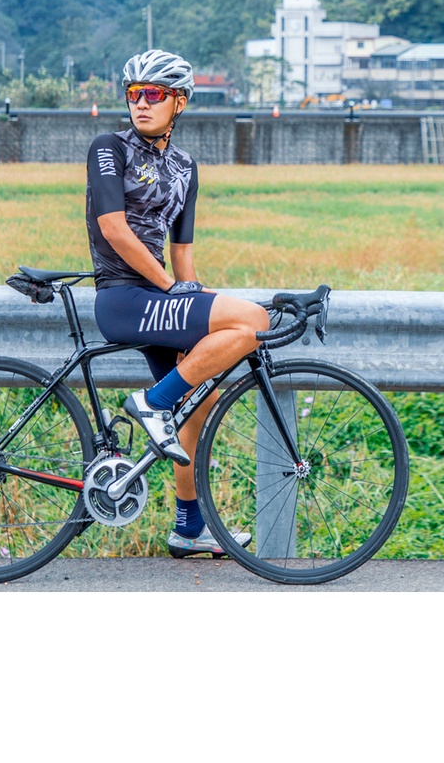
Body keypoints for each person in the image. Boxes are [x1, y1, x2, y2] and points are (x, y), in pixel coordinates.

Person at [84, 49, 269, 557]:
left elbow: (182, 252)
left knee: (200, 400)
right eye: (134, 93)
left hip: (159, 298)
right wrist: (170, 287)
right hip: (124, 298)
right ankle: (151, 404)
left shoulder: (185, 165)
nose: (141, 103)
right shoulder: (109, 147)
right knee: (253, 319)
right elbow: (113, 228)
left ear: (179, 102)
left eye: (154, 94)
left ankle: (189, 528)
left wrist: (193, 298)